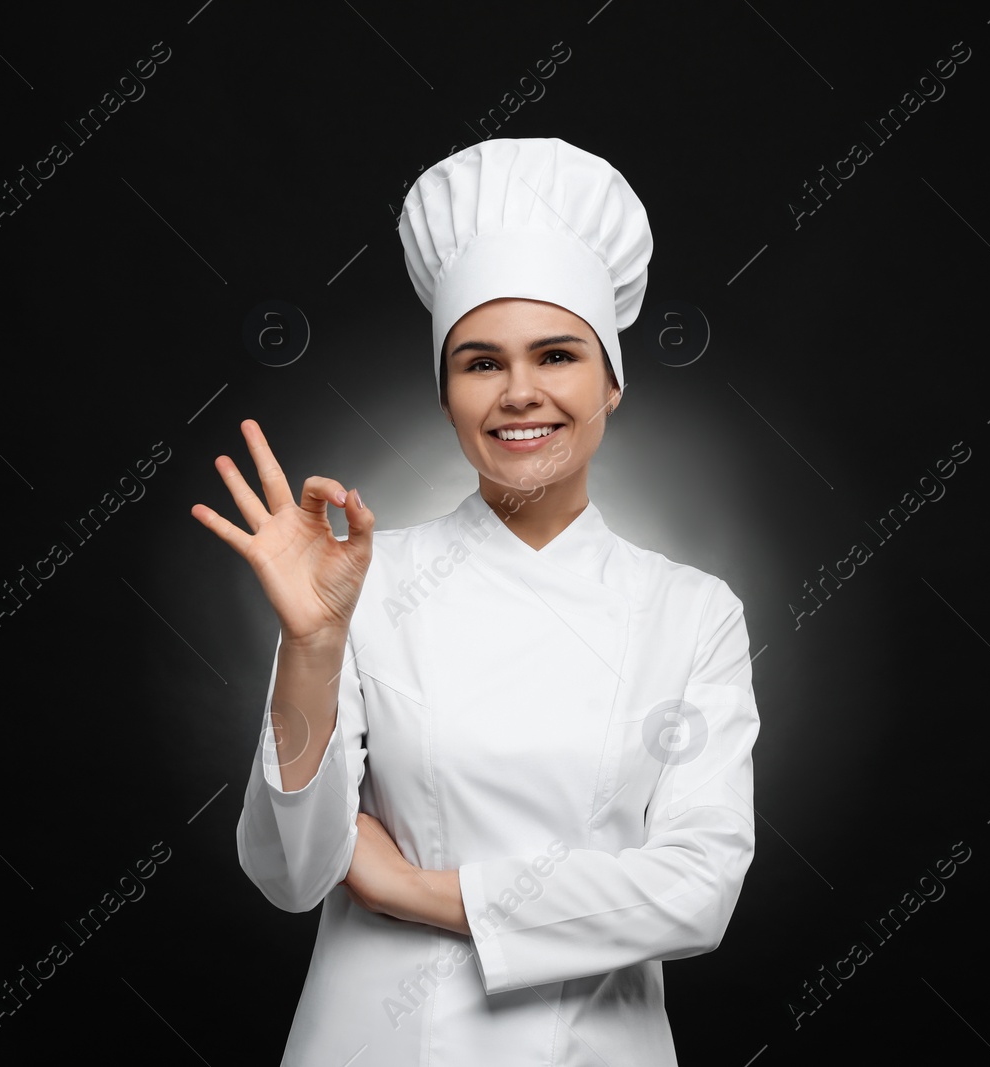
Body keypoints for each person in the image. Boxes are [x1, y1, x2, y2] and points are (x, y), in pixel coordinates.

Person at [191, 137, 760, 1066]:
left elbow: (697, 892)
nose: (520, 393)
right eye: (481, 362)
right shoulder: (361, 585)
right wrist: (311, 644)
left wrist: (412, 890)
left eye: (557, 354)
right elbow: (291, 875)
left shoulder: (692, 612)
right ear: (447, 392)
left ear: (611, 382)